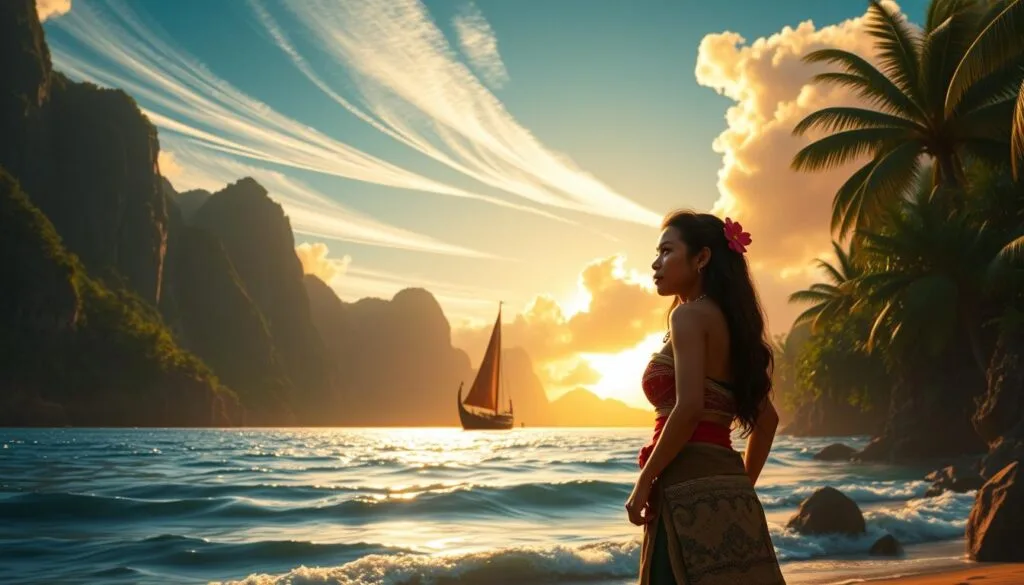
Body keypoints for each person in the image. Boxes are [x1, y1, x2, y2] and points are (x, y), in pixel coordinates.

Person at [627, 210, 786, 585]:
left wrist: (644, 481)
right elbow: (768, 421)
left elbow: (689, 408)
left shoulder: (687, 317)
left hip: (683, 489)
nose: (656, 263)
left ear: (701, 258)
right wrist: (740, 488)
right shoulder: (735, 327)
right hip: (731, 492)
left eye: (667, 251)